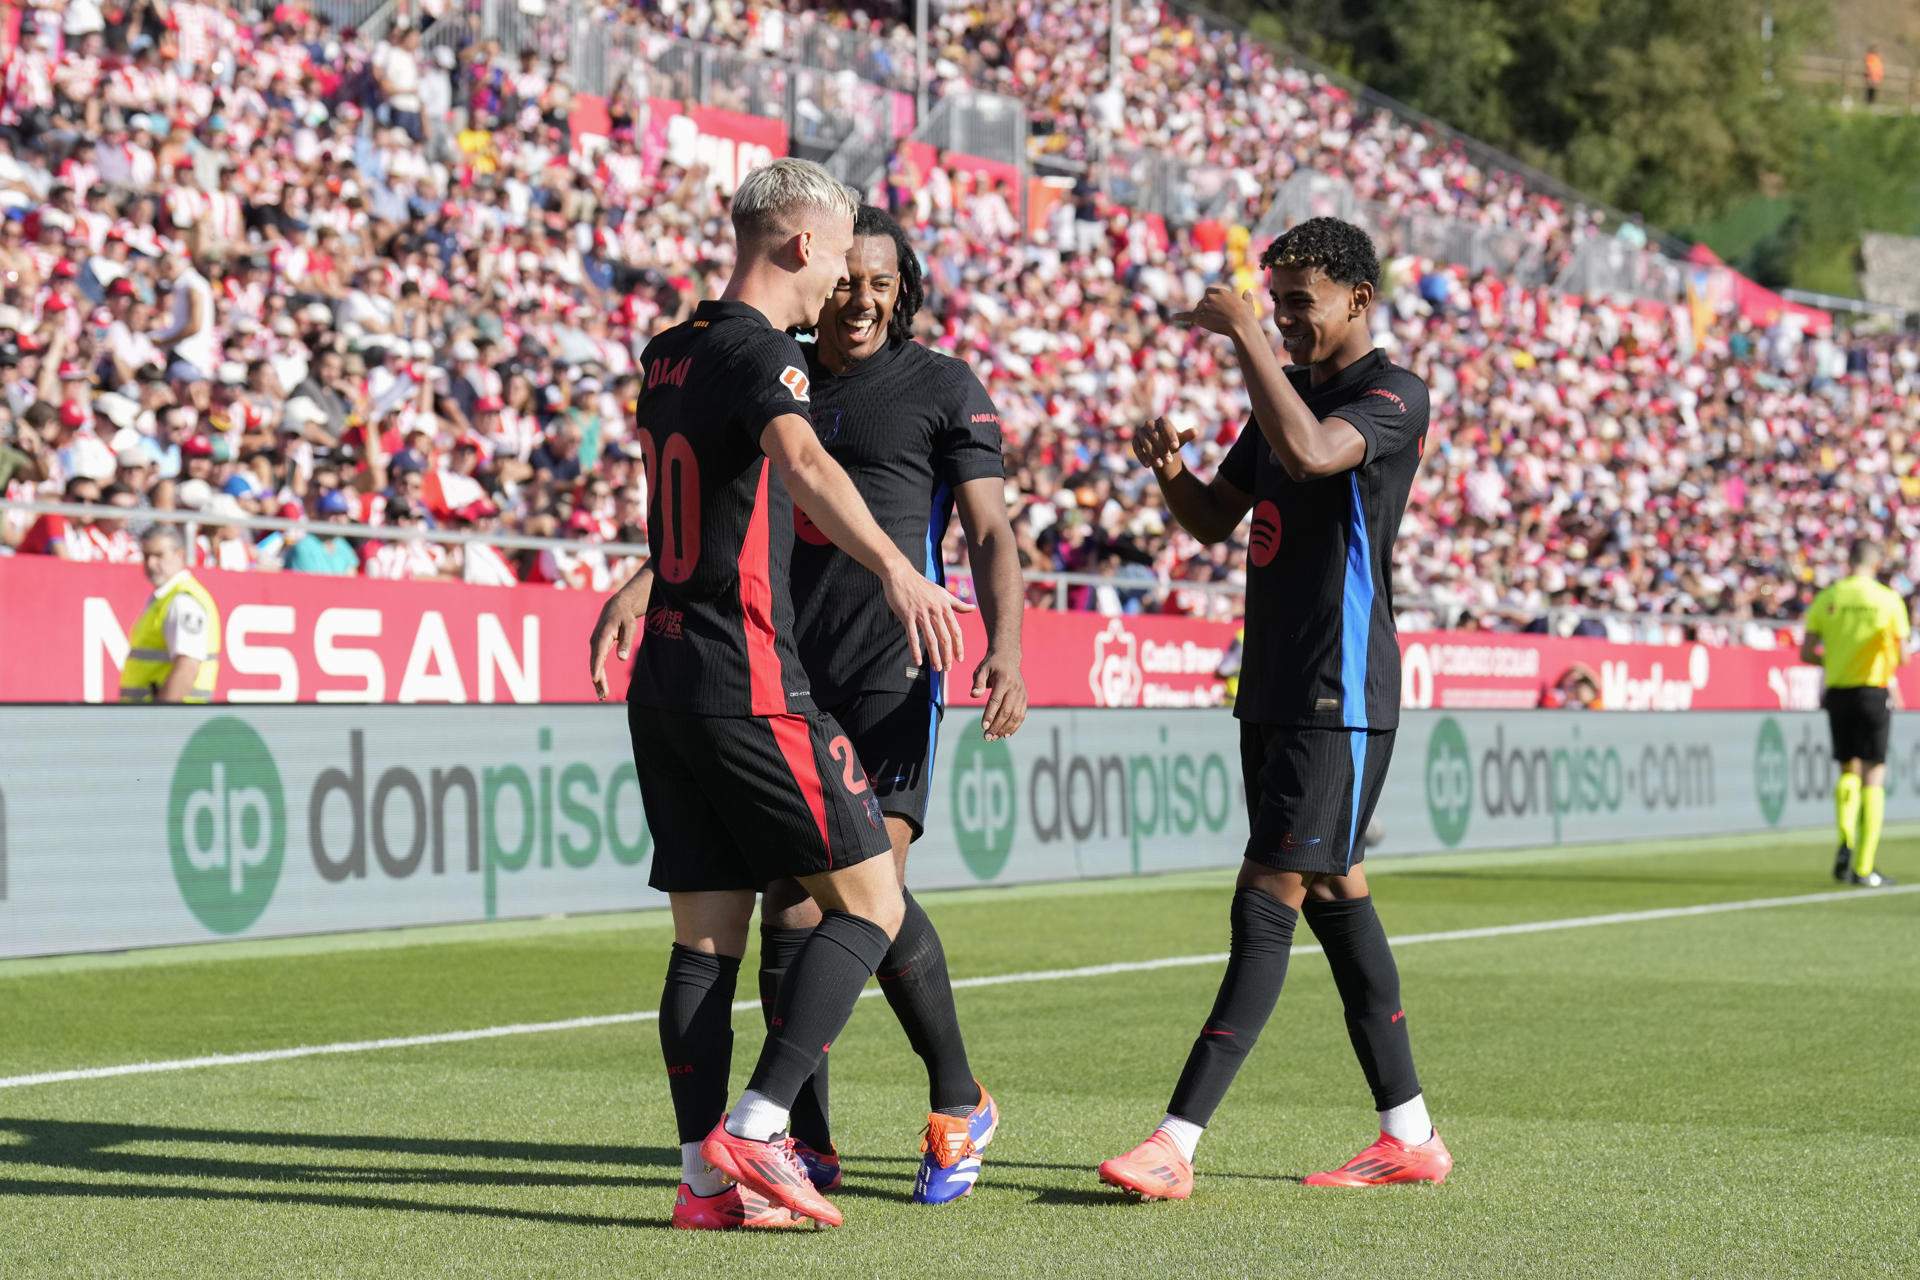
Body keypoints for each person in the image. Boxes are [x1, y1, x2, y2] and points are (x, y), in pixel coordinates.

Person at [592, 205, 1028, 1205]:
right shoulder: (772, 367)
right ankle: (804, 1137)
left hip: (885, 670)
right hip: (774, 669)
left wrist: (1005, 640)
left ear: (902, 291)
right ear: (818, 273)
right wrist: (643, 578)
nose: (860, 294)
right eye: (848, 274)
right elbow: (725, 501)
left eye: (880, 280)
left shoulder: (938, 385)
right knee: (802, 908)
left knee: (862, 895)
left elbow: (991, 530)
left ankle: (948, 1100)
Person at [1097, 217, 1451, 1200]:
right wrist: (1169, 467)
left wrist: (1246, 333)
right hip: (1280, 685)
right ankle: (1410, 1131)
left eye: (1301, 301)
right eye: (1277, 298)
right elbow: (1219, 514)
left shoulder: (1392, 393)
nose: (1287, 317)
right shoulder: (1284, 391)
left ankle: (1177, 1139)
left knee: (1270, 893)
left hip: (1338, 689)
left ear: (1358, 301)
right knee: (1336, 892)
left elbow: (1310, 455)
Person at [1800, 540, 1909, 888]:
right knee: (1874, 773)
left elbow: (1806, 652)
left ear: (1849, 560)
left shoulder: (1829, 597)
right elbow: (1903, 655)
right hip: (1872, 690)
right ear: (1876, 563)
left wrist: (1834, 661)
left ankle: (1845, 841)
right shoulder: (1887, 599)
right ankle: (1864, 866)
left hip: (1838, 691)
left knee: (1848, 766)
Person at [118, 524, 220, 704]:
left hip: (174, 723)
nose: (150, 563)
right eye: (146, 556)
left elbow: (187, 667)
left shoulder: (183, 601)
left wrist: (161, 719)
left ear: (180, 555)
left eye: (159, 555)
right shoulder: (168, 598)